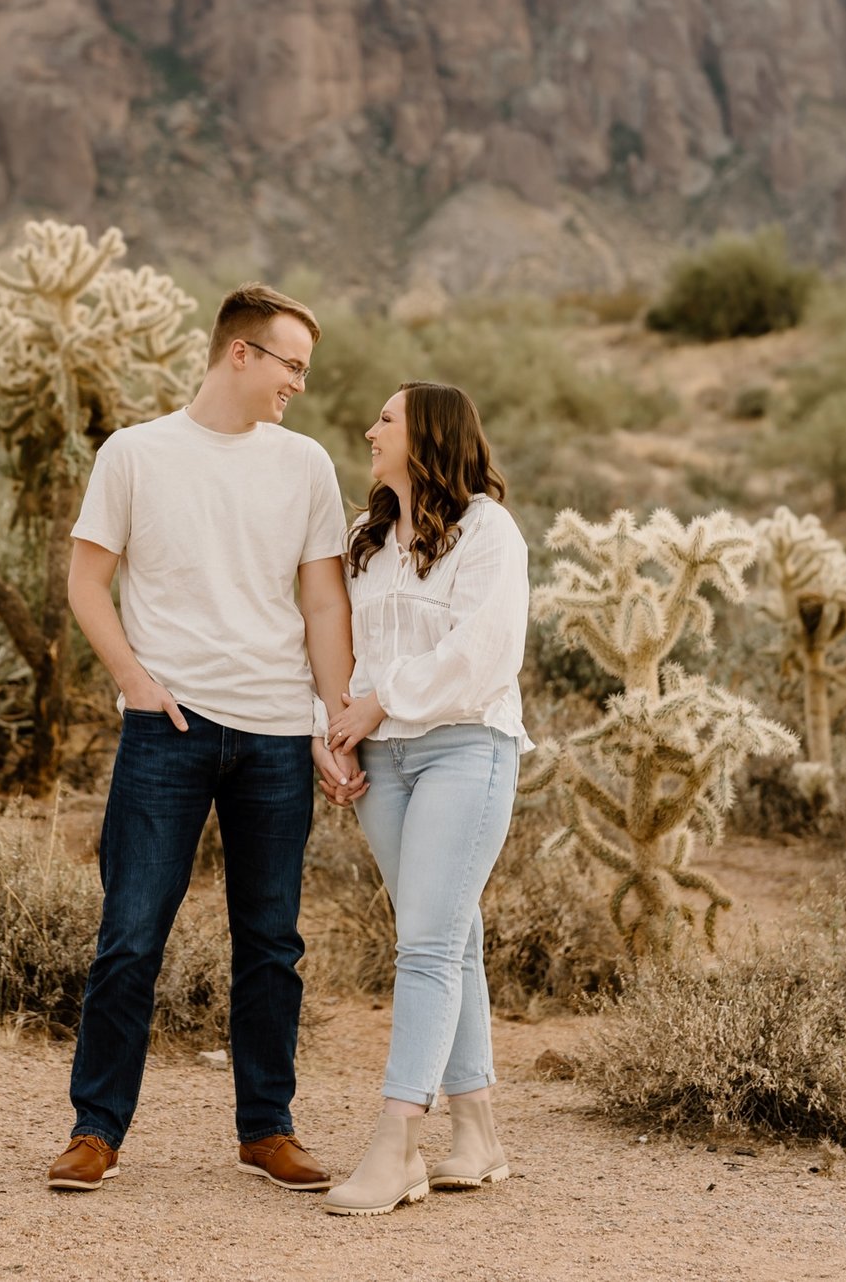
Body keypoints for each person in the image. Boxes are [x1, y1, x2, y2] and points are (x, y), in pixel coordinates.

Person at [48, 284, 361, 1195]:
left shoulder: (304, 464)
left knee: (272, 944)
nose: (298, 384)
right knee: (130, 935)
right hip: (168, 731)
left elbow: (322, 600)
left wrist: (329, 718)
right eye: (290, 365)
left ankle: (268, 1129)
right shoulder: (136, 454)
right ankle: (95, 1131)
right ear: (240, 354)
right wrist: (135, 683)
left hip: (272, 732)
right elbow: (85, 582)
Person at [319, 381, 530, 1216]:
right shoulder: (364, 539)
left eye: (386, 419)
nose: (370, 429)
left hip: (463, 750)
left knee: (429, 947)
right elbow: (332, 644)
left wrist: (379, 701)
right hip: (381, 761)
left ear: (428, 436)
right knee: (446, 934)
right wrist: (327, 728)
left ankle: (399, 1142)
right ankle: (477, 1135)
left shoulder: (487, 532)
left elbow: (480, 654)